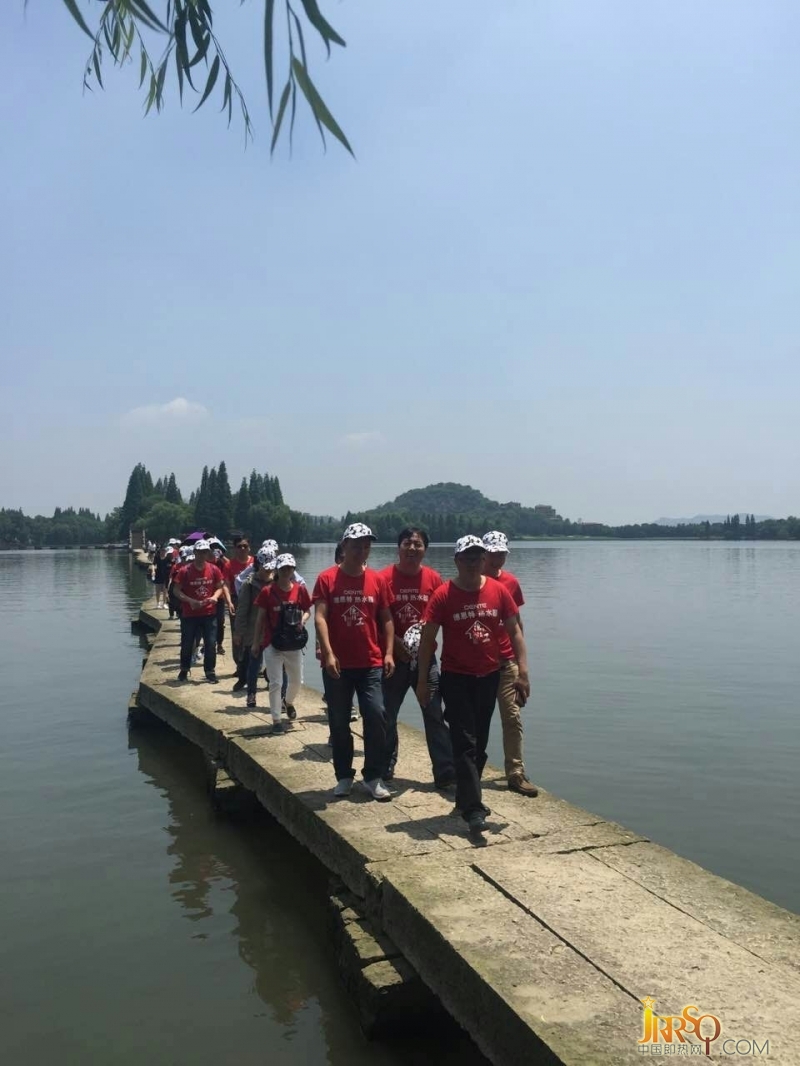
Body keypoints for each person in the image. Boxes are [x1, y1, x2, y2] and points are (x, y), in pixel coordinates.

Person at [416, 536, 530, 835]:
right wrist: (422, 681)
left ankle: (467, 797)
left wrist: (523, 673)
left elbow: (515, 631)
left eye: (478, 558)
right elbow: (427, 641)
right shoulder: (443, 595)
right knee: (464, 741)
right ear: (456, 561)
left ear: (484, 561)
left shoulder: (499, 591)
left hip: (489, 675)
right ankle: (474, 810)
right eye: (467, 557)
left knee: (478, 742)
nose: (473, 563)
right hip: (456, 677)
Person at [313, 523, 395, 801]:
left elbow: (385, 618)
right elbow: (320, 617)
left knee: (375, 714)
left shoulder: (377, 580)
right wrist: (328, 652)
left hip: (370, 661)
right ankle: (344, 776)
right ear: (344, 547)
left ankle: (373, 776)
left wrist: (389, 653)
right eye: (357, 545)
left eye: (366, 545)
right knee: (338, 721)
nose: (362, 550)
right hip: (338, 664)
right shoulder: (327, 579)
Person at [378, 528, 455, 787]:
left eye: (418, 544)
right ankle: (386, 763)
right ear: (398, 547)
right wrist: (395, 644)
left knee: (434, 713)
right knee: (387, 713)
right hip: (393, 658)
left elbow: (445, 614)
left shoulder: (433, 579)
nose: (412, 548)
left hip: (426, 659)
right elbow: (376, 617)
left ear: (425, 549)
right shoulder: (383, 578)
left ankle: (445, 770)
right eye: (407, 543)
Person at [482, 531, 538, 797]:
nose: (497, 558)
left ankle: (515, 772)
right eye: (493, 553)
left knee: (512, 717)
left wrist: (522, 667)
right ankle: (470, 769)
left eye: (501, 553)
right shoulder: (469, 582)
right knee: (472, 721)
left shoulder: (511, 583)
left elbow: (516, 625)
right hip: (477, 665)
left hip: (506, 663)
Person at [253, 553, 312, 730]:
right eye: (283, 568)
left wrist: (303, 620)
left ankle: (288, 702)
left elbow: (308, 609)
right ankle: (276, 719)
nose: (287, 571)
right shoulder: (267, 592)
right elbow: (260, 618)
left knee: (296, 680)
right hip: (273, 643)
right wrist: (256, 643)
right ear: (277, 570)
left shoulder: (299, 589)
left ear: (294, 569)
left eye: (290, 568)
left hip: (293, 642)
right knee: (276, 682)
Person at [172, 539, 225, 683]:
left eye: (205, 552)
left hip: (209, 613)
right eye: (200, 552)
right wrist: (190, 601)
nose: (202, 555)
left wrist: (214, 596)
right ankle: (184, 669)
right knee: (187, 642)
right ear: (195, 552)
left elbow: (220, 586)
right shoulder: (185, 571)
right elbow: (176, 590)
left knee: (210, 643)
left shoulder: (213, 569)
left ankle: (209, 671)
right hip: (190, 614)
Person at [233, 547, 276, 704]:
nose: (268, 571)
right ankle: (251, 693)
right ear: (258, 565)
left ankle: (280, 697)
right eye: (265, 568)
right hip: (253, 630)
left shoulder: (278, 581)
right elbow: (242, 610)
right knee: (254, 663)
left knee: (278, 665)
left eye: (271, 568)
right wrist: (238, 632)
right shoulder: (249, 584)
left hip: (273, 630)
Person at [152, 544, 173, 609]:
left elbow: (171, 566)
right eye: (162, 550)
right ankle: (158, 603)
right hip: (158, 575)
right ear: (160, 551)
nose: (163, 552)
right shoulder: (157, 557)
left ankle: (164, 603)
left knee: (165, 590)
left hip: (166, 575)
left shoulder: (168, 558)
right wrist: (153, 571)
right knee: (157, 590)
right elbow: (153, 564)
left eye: (164, 550)